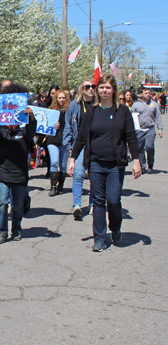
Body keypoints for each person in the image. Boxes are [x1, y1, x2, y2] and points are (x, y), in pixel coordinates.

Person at [68, 75, 142, 252]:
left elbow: (131, 137)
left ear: (113, 90)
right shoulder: (91, 111)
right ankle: (100, 239)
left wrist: (137, 160)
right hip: (95, 163)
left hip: (116, 164)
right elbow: (81, 137)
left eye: (108, 87)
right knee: (99, 202)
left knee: (114, 200)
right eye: (101, 87)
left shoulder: (122, 111)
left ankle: (115, 227)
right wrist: (73, 159)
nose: (104, 91)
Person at [0, 82, 36, 243]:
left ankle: (17, 229)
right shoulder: (2, 134)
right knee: (2, 203)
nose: (11, 122)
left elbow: (32, 130)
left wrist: (32, 116)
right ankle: (2, 231)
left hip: (20, 174)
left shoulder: (25, 135)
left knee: (18, 206)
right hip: (4, 173)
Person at [63, 79, 95, 220]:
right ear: (81, 89)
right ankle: (77, 205)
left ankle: (94, 203)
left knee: (95, 176)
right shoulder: (74, 106)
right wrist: (69, 145)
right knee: (78, 174)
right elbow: (68, 126)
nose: (90, 89)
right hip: (79, 144)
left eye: (93, 86)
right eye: (87, 87)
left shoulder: (98, 105)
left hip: (96, 145)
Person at [41, 90, 70, 196]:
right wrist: (52, 126)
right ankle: (53, 186)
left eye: (63, 98)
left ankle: (60, 186)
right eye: (60, 98)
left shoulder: (69, 111)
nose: (62, 100)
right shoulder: (51, 111)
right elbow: (44, 125)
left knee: (63, 164)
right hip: (53, 140)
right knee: (54, 162)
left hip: (65, 140)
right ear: (56, 99)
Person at [131, 87, 164, 174]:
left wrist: (160, 128)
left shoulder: (154, 104)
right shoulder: (135, 105)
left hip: (150, 129)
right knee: (140, 148)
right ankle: (142, 165)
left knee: (149, 147)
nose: (148, 94)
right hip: (139, 130)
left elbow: (158, 117)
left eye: (149, 93)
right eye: (146, 93)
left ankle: (150, 165)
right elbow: (131, 118)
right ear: (141, 94)